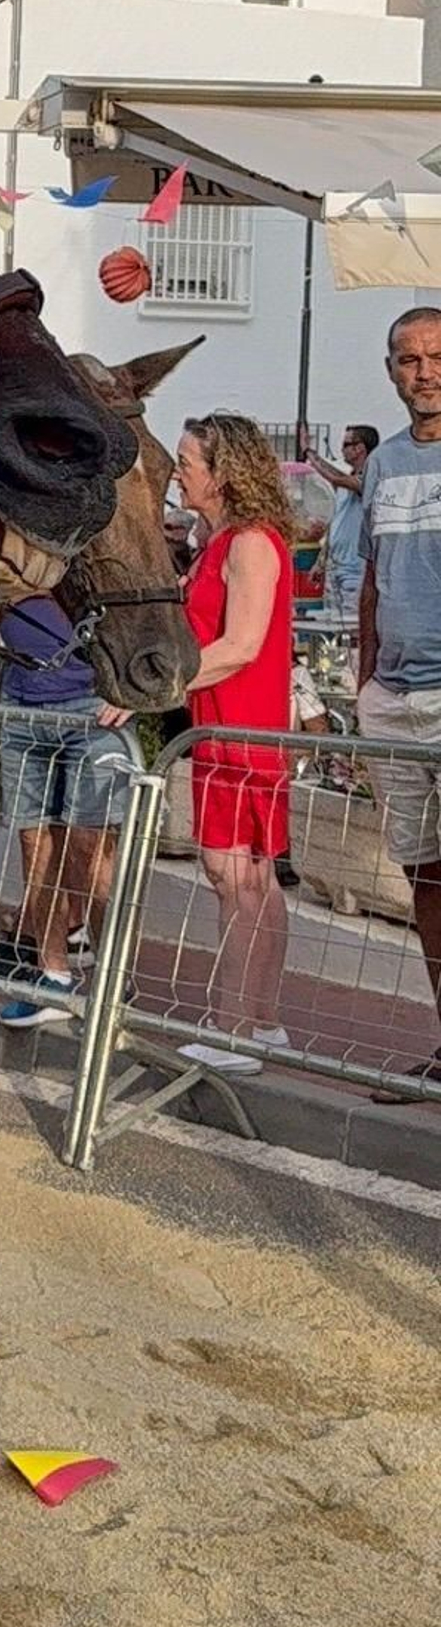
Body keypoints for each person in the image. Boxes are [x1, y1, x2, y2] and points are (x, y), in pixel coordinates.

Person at [174, 413, 296, 1072]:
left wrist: (165, 681)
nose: (178, 471)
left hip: (240, 728)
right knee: (256, 880)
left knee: (234, 879)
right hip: (230, 726)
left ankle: (235, 1028)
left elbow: (241, 644)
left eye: (187, 461)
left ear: (221, 473)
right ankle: (262, 1020)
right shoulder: (222, 539)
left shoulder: (248, 543)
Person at [355, 309, 441, 1094]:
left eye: (437, 357)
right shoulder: (381, 464)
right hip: (395, 699)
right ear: (390, 371)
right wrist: (364, 681)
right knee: (424, 881)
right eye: (409, 359)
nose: (425, 372)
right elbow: (374, 578)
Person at [0, 599, 136, 1028]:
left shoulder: (81, 541)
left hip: (91, 704)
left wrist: (132, 689)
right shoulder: (0, 540)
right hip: (22, 704)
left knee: (89, 852)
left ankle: (113, 978)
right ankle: (53, 975)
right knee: (35, 846)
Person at [310, 425, 380, 628]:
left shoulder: (369, 478)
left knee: (352, 627)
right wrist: (321, 560)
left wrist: (310, 455)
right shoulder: (345, 482)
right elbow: (336, 524)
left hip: (355, 571)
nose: (342, 450)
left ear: (360, 448)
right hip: (335, 567)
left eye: (346, 444)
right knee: (332, 626)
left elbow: (334, 477)